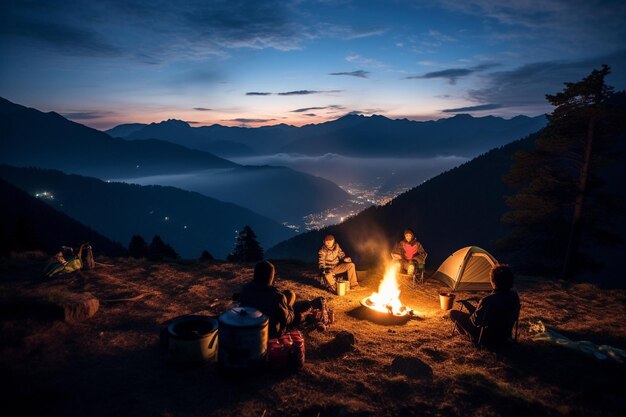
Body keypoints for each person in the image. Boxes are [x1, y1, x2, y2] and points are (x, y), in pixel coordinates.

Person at [450, 264, 521, 346]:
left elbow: (475, 321)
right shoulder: (514, 297)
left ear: (493, 281)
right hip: (504, 336)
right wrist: (479, 304)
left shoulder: (488, 300)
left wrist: (469, 306)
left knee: (453, 314)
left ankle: (468, 337)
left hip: (486, 338)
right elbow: (486, 316)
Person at [239, 260, 302, 338]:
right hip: (270, 335)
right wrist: (290, 307)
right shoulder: (277, 297)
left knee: (287, 294)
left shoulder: (245, 289)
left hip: (248, 329)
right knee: (290, 295)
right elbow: (286, 320)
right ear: (271, 277)